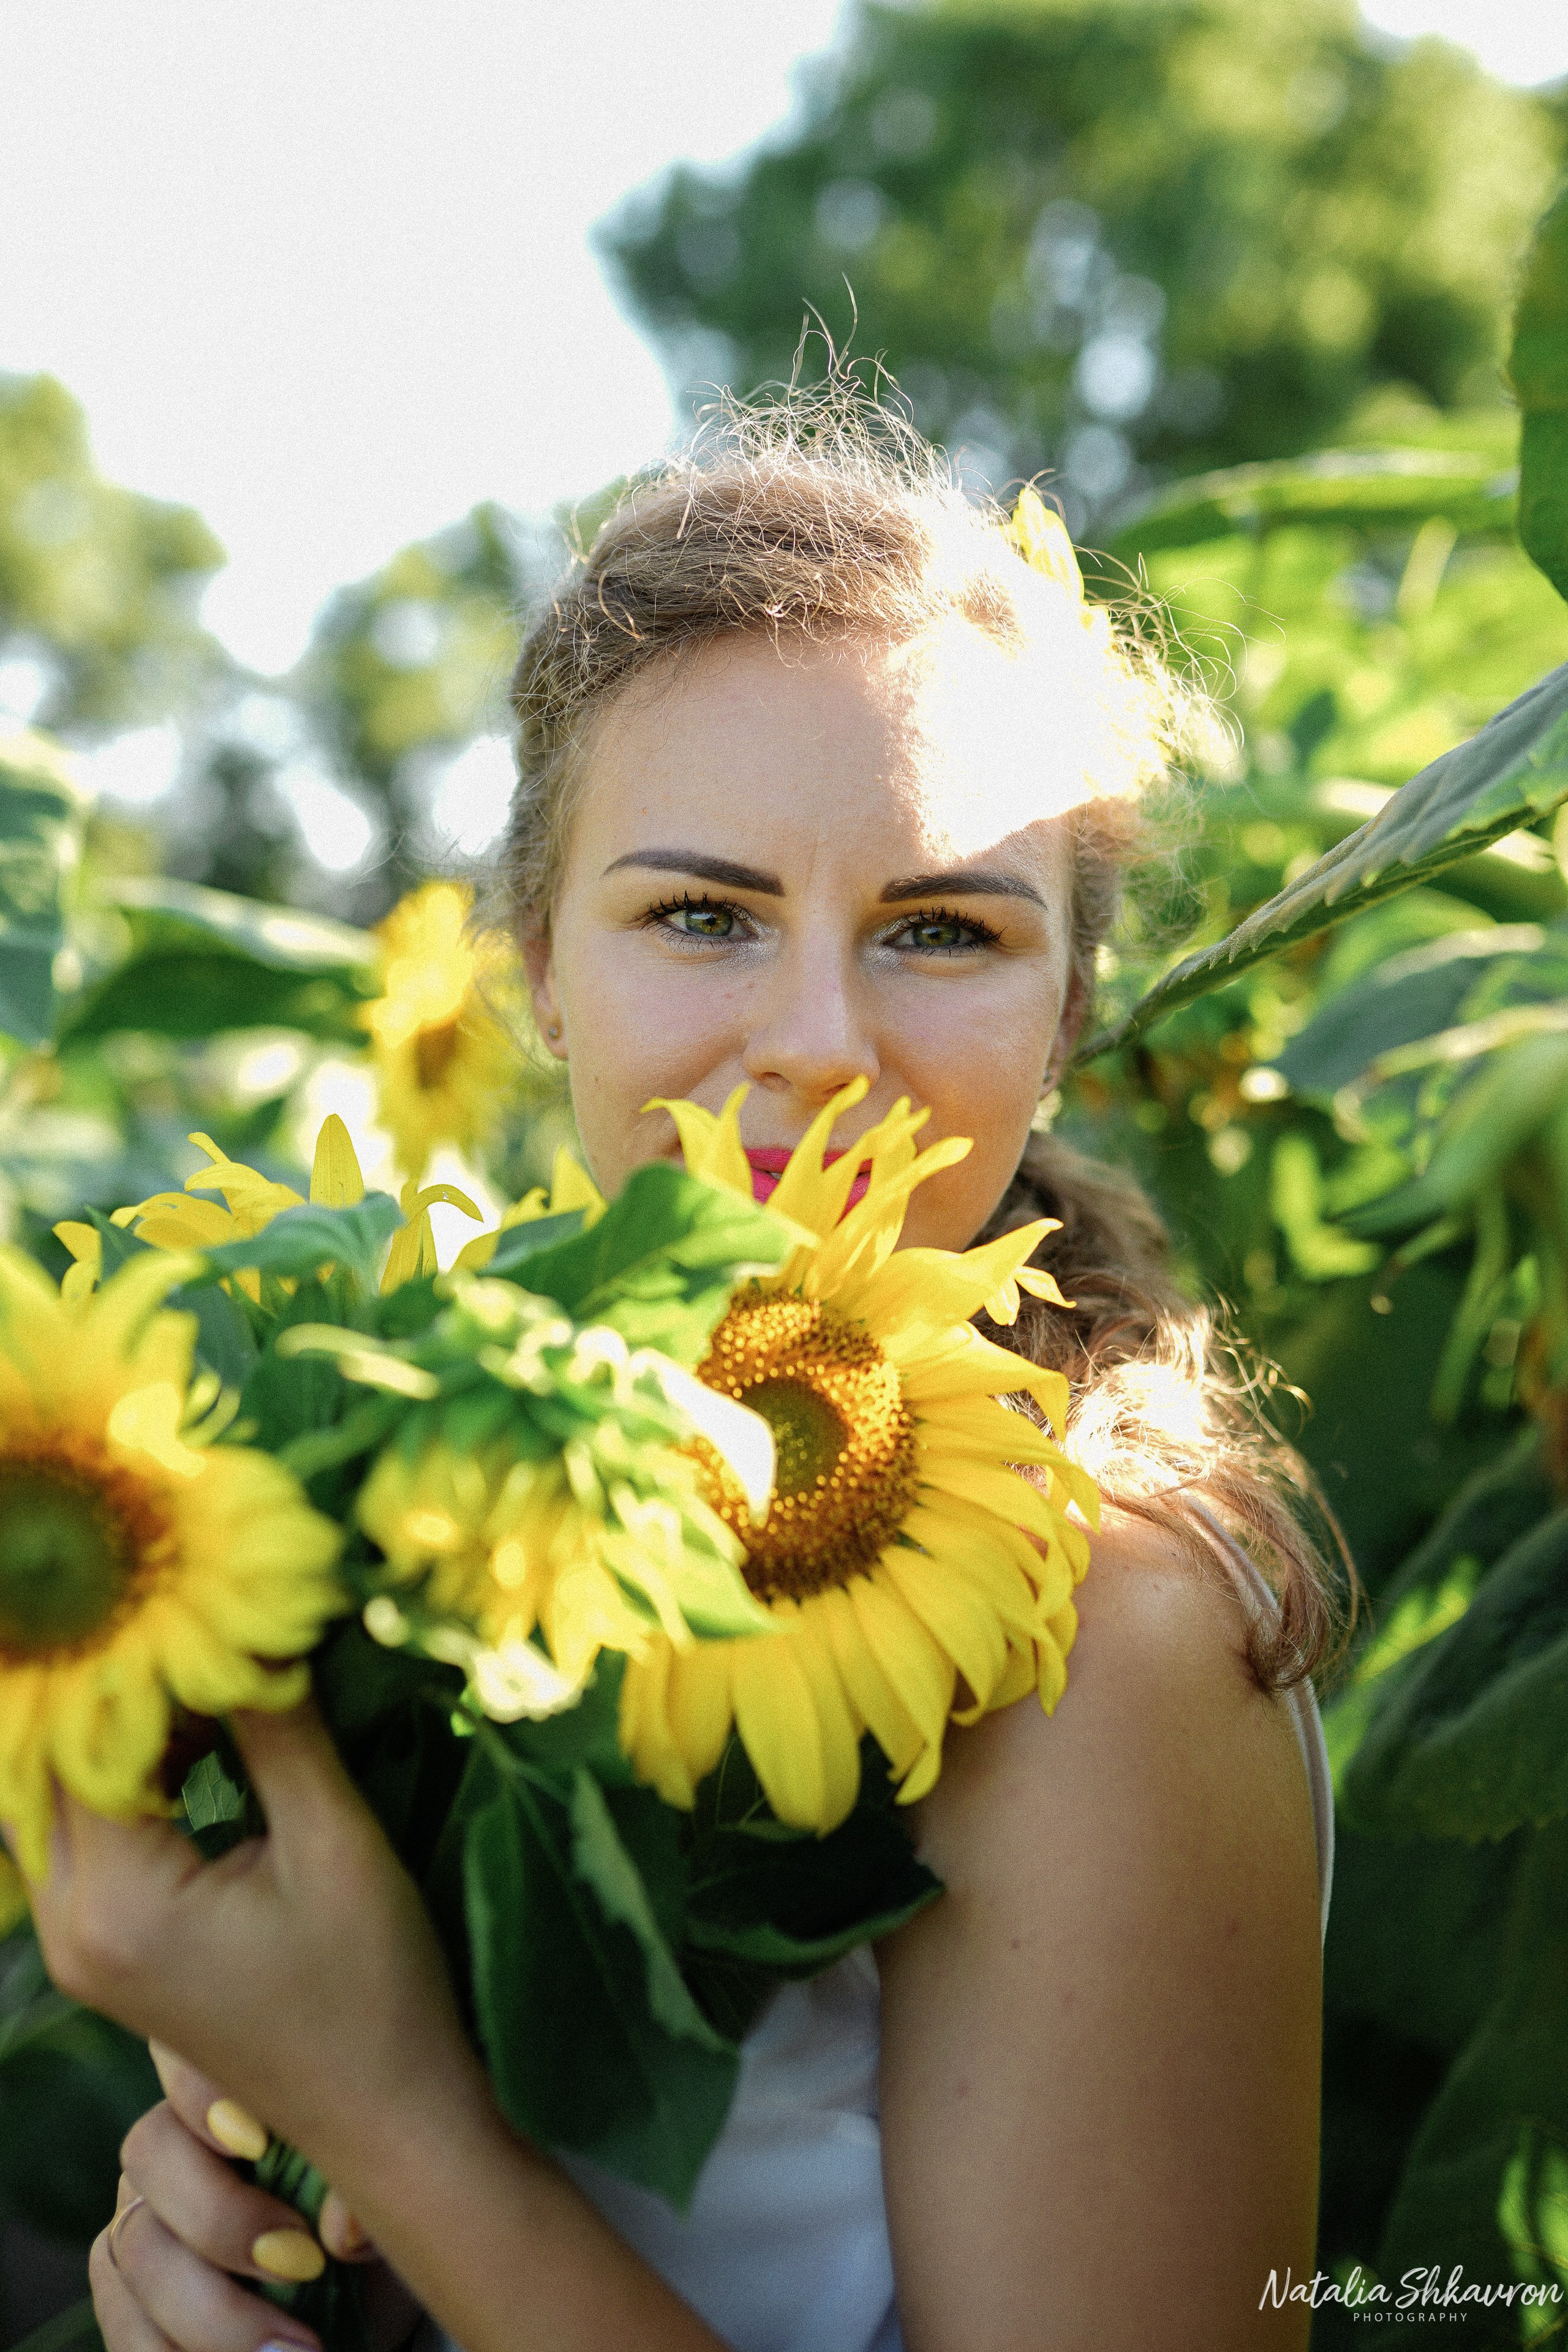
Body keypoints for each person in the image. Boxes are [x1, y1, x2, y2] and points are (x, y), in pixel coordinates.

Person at [21, 398, 1341, 2352]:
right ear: (541, 965)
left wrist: (397, 2120)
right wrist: (233, 2210)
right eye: (704, 915)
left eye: (943, 929)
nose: (813, 1039)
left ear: (1066, 1013)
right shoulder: (459, 1487)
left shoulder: (1106, 1628)